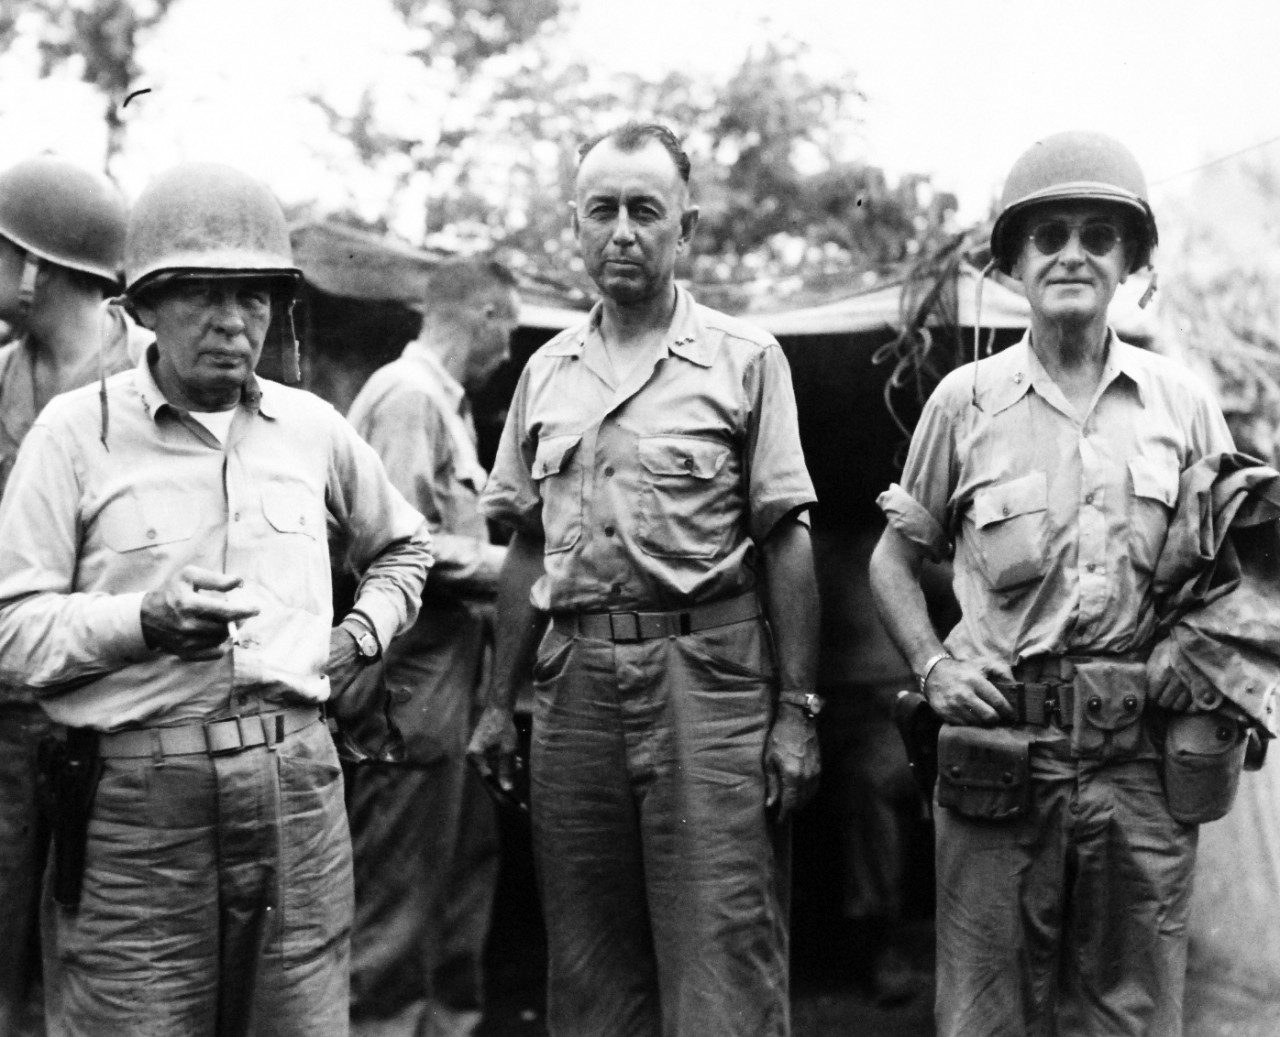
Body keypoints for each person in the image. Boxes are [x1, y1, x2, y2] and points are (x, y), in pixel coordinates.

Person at [0, 161, 433, 1037]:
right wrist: (143, 622)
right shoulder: (73, 435)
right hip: (135, 809)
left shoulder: (312, 429)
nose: (234, 324)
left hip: (297, 791)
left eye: (255, 297)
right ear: (143, 307)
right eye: (202, 294)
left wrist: (359, 637)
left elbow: (404, 546)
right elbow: (12, 630)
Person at [869, 130, 1237, 1036]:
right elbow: (892, 561)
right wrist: (932, 667)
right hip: (1001, 752)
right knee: (986, 1018)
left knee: (1134, 1016)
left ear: (1130, 262)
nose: (1073, 252)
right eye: (1050, 234)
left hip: (1140, 763)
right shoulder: (966, 401)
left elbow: (1234, 577)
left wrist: (1200, 670)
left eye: (1098, 235)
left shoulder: (1181, 403)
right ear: (1015, 261)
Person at [468, 122, 821, 1037]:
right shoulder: (545, 373)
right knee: (589, 976)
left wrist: (798, 712)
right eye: (602, 211)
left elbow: (787, 540)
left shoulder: (747, 361)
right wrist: (498, 702)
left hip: (708, 686)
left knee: (723, 965)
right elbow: (527, 547)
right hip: (575, 692)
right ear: (575, 228)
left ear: (685, 227)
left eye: (644, 210)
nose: (622, 230)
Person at [344, 258, 518, 1037]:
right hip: (409, 692)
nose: (509, 349)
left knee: (456, 888)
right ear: (480, 315)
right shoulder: (408, 398)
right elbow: (397, 550)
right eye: (507, 327)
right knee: (396, 909)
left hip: (458, 689)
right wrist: (519, 571)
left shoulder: (445, 408)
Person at [0, 155, 144, 1037]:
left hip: (120, 723)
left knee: (103, 969)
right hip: (8, 716)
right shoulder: (1, 377)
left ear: (35, 269)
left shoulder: (155, 375)